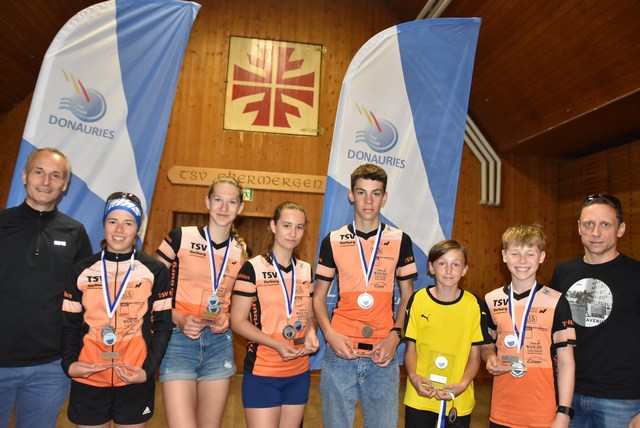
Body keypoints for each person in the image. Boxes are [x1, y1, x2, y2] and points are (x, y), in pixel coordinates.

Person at [313, 163, 418, 428]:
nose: (368, 200)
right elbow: (318, 297)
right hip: (341, 352)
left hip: (383, 353)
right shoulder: (333, 240)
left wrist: (395, 337)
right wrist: (329, 334)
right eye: (361, 192)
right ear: (351, 195)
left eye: (375, 193)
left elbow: (408, 296)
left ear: (385, 197)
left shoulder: (401, 240)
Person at [61, 192, 172, 427]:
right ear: (104, 224)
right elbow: (69, 325)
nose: (119, 229)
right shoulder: (81, 270)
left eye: (128, 223)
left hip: (134, 377)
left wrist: (148, 371)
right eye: (113, 221)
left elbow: (163, 326)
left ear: (138, 228)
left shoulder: (155, 271)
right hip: (89, 377)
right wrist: (69, 365)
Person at [0, 147, 93, 428]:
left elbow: (85, 297)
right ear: (25, 176)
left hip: (50, 368)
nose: (46, 181)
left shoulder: (75, 232)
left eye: (56, 175)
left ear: (65, 184)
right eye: (38, 172)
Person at [156, 176, 248, 428]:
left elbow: (236, 303)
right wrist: (178, 317)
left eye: (231, 202)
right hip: (178, 340)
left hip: (219, 343)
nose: (223, 207)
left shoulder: (241, 252)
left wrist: (226, 318)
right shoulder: (179, 237)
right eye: (218, 199)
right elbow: (149, 289)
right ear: (208, 202)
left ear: (240, 208)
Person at [550, 194, 640, 428]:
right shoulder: (562, 273)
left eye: (605, 224)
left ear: (621, 229)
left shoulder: (636, 274)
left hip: (623, 401)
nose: (595, 232)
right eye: (589, 224)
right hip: (568, 396)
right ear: (579, 227)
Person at [231, 201, 318, 428]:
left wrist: (311, 333)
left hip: (299, 372)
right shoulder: (252, 268)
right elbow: (237, 321)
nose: (293, 233)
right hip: (263, 371)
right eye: (286, 226)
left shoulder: (305, 270)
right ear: (273, 226)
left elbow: (309, 316)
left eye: (299, 227)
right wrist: (276, 344)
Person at [482, 224, 576, 428]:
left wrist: (564, 412)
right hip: (501, 411)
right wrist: (489, 357)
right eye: (515, 253)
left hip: (543, 413)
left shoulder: (557, 301)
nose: (522, 260)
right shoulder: (491, 300)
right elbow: (487, 345)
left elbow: (566, 362)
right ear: (504, 256)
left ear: (541, 257)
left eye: (530, 254)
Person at [403, 239, 490, 428]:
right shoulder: (418, 300)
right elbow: (410, 350)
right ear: (431, 267)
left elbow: (475, 357)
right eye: (442, 263)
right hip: (420, 396)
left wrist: (462, 385)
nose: (449, 270)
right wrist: (414, 377)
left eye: (456, 264)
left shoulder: (474, 305)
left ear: (464, 270)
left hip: (457, 398)